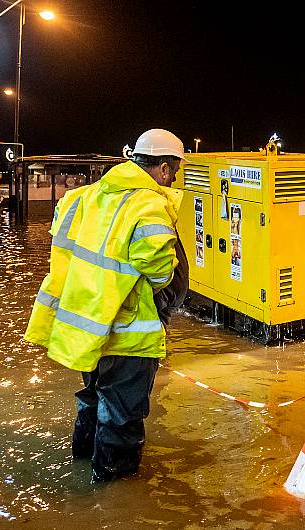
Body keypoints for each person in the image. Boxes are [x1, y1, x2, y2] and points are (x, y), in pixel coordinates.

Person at [24, 129, 187, 482]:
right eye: (173, 170)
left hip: (86, 326)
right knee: (122, 415)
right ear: (161, 168)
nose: (173, 179)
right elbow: (159, 268)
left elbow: (63, 254)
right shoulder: (149, 203)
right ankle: (113, 493)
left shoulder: (81, 197)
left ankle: (83, 472)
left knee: (93, 397)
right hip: (129, 331)